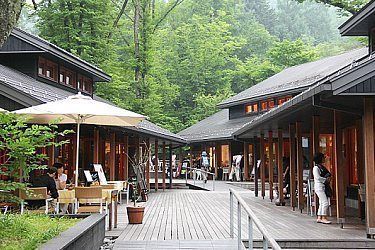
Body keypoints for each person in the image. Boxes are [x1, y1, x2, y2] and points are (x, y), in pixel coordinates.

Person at [313, 152, 332, 224]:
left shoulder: (320, 166)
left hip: (322, 186)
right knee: (325, 202)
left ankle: (319, 217)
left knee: (321, 202)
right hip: (319, 186)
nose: (324, 159)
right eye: (323, 157)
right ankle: (324, 217)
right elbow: (317, 177)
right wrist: (325, 180)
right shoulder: (316, 168)